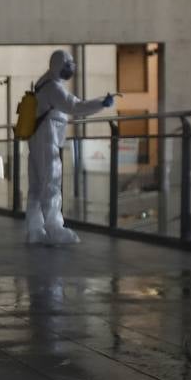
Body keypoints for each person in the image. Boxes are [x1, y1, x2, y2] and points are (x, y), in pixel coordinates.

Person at [25, 50, 113, 246]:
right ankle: (55, 230)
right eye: (67, 65)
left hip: (36, 137)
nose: (71, 69)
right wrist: (101, 103)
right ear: (59, 66)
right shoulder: (54, 88)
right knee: (51, 182)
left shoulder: (43, 82)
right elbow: (74, 106)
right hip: (47, 138)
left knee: (37, 186)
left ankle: (34, 229)